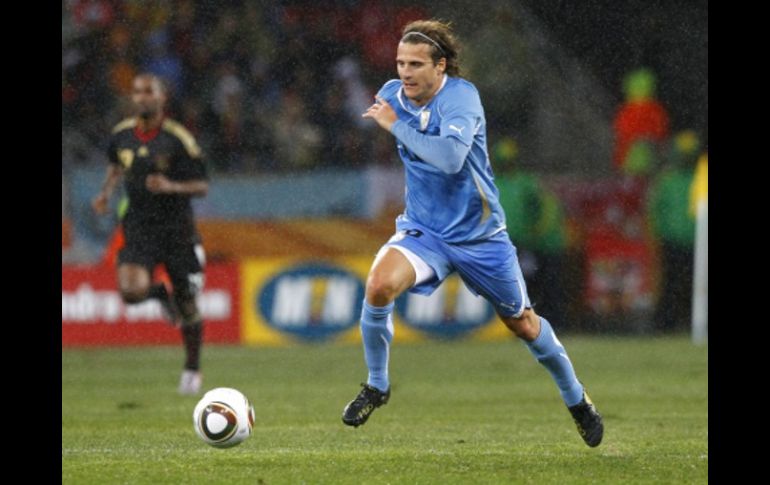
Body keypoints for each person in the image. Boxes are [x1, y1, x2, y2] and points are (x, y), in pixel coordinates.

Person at [341, 19, 603, 447]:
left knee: (524, 324)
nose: (405, 72)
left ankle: (577, 400)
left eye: (415, 64)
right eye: (400, 63)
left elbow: (450, 159)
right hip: (425, 230)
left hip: (480, 236)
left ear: (440, 66)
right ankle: (376, 385)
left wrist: (395, 126)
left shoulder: (461, 98)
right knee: (378, 285)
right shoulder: (392, 95)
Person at [91, 73, 209, 395]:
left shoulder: (178, 139)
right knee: (130, 291)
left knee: (187, 305)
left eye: (149, 92)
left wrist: (171, 186)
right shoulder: (121, 135)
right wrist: (105, 193)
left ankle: (192, 368)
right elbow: (116, 165)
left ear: (161, 97)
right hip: (139, 227)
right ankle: (158, 293)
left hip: (177, 231)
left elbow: (202, 186)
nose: (142, 97)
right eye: (137, 92)